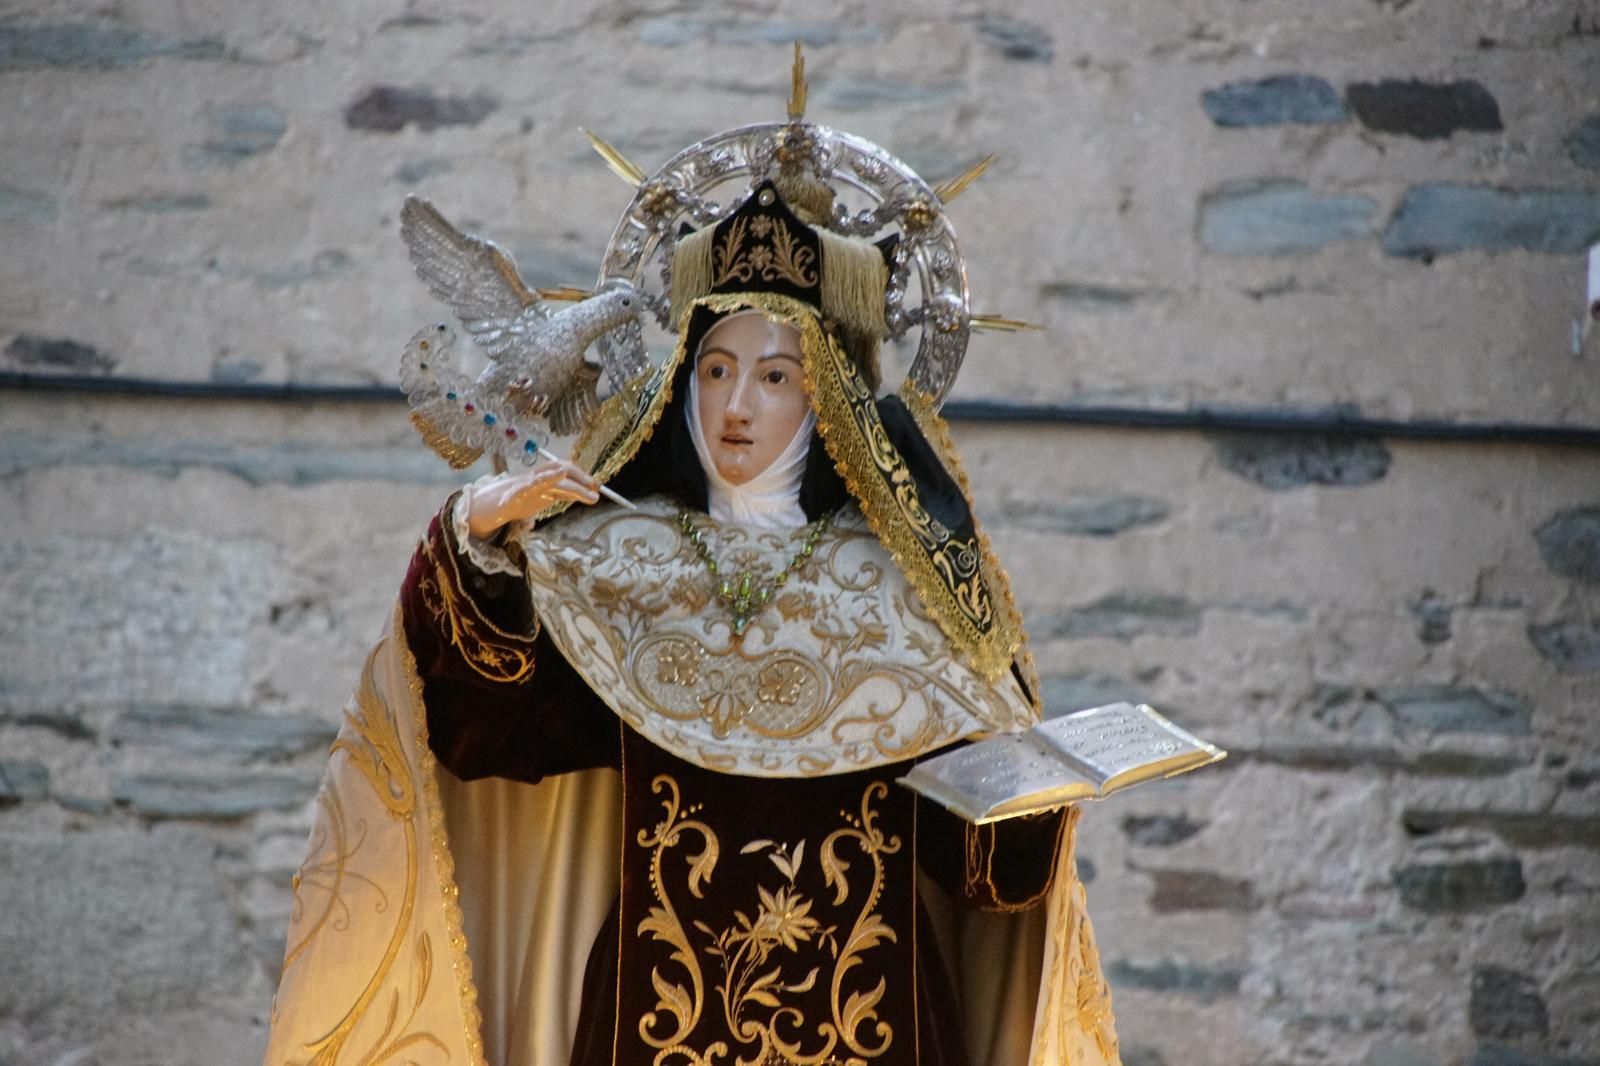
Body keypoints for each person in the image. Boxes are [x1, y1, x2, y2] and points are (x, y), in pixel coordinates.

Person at [262, 70, 1122, 1066]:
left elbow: (981, 875)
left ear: (828, 399)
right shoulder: (622, 560)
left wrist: (1036, 791)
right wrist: (482, 540)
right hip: (645, 1018)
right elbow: (483, 729)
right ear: (681, 382)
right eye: (715, 368)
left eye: (774, 375)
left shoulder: (906, 591)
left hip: (873, 1024)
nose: (735, 407)